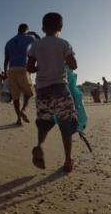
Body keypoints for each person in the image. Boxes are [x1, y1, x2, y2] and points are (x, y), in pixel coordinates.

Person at [27, 12, 78, 173]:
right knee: (66, 124)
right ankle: (68, 161)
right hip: (60, 88)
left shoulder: (36, 45)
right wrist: (62, 60)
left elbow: (29, 68)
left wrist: (39, 67)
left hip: (42, 90)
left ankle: (40, 146)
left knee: (44, 121)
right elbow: (73, 65)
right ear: (61, 27)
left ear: (43, 28)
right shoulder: (64, 43)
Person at [4, 23, 35, 125]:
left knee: (15, 97)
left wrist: (5, 74)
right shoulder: (28, 38)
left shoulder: (9, 42)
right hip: (22, 68)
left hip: (11, 70)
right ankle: (23, 111)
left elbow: (6, 60)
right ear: (26, 30)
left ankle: (18, 119)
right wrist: (34, 33)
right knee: (29, 93)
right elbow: (41, 42)